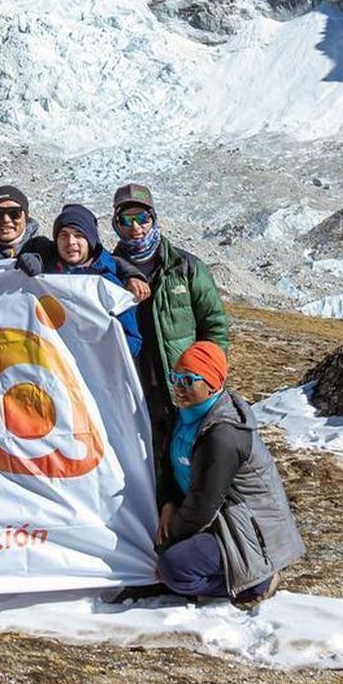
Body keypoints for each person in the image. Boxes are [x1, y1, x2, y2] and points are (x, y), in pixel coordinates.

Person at [155, 341, 304, 608]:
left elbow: (203, 505)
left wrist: (167, 546)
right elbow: (168, 466)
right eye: (175, 378)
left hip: (248, 530)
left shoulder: (223, 435)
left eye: (189, 380)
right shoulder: (185, 416)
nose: (178, 387)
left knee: (173, 568)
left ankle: (256, 583)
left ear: (212, 384)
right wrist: (167, 503)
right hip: (219, 517)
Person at [110, 183, 228, 510]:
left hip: (183, 384)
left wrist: (209, 379)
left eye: (142, 218)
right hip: (134, 384)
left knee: (192, 455)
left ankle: (196, 521)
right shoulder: (107, 272)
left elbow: (214, 325)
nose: (135, 227)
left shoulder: (186, 268)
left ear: (154, 219)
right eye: (126, 220)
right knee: (146, 455)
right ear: (115, 224)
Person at [23, 204, 142, 356]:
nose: (71, 241)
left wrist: (99, 355)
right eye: (64, 235)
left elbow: (132, 340)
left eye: (79, 234)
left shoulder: (108, 282)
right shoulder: (45, 276)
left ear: (90, 240)